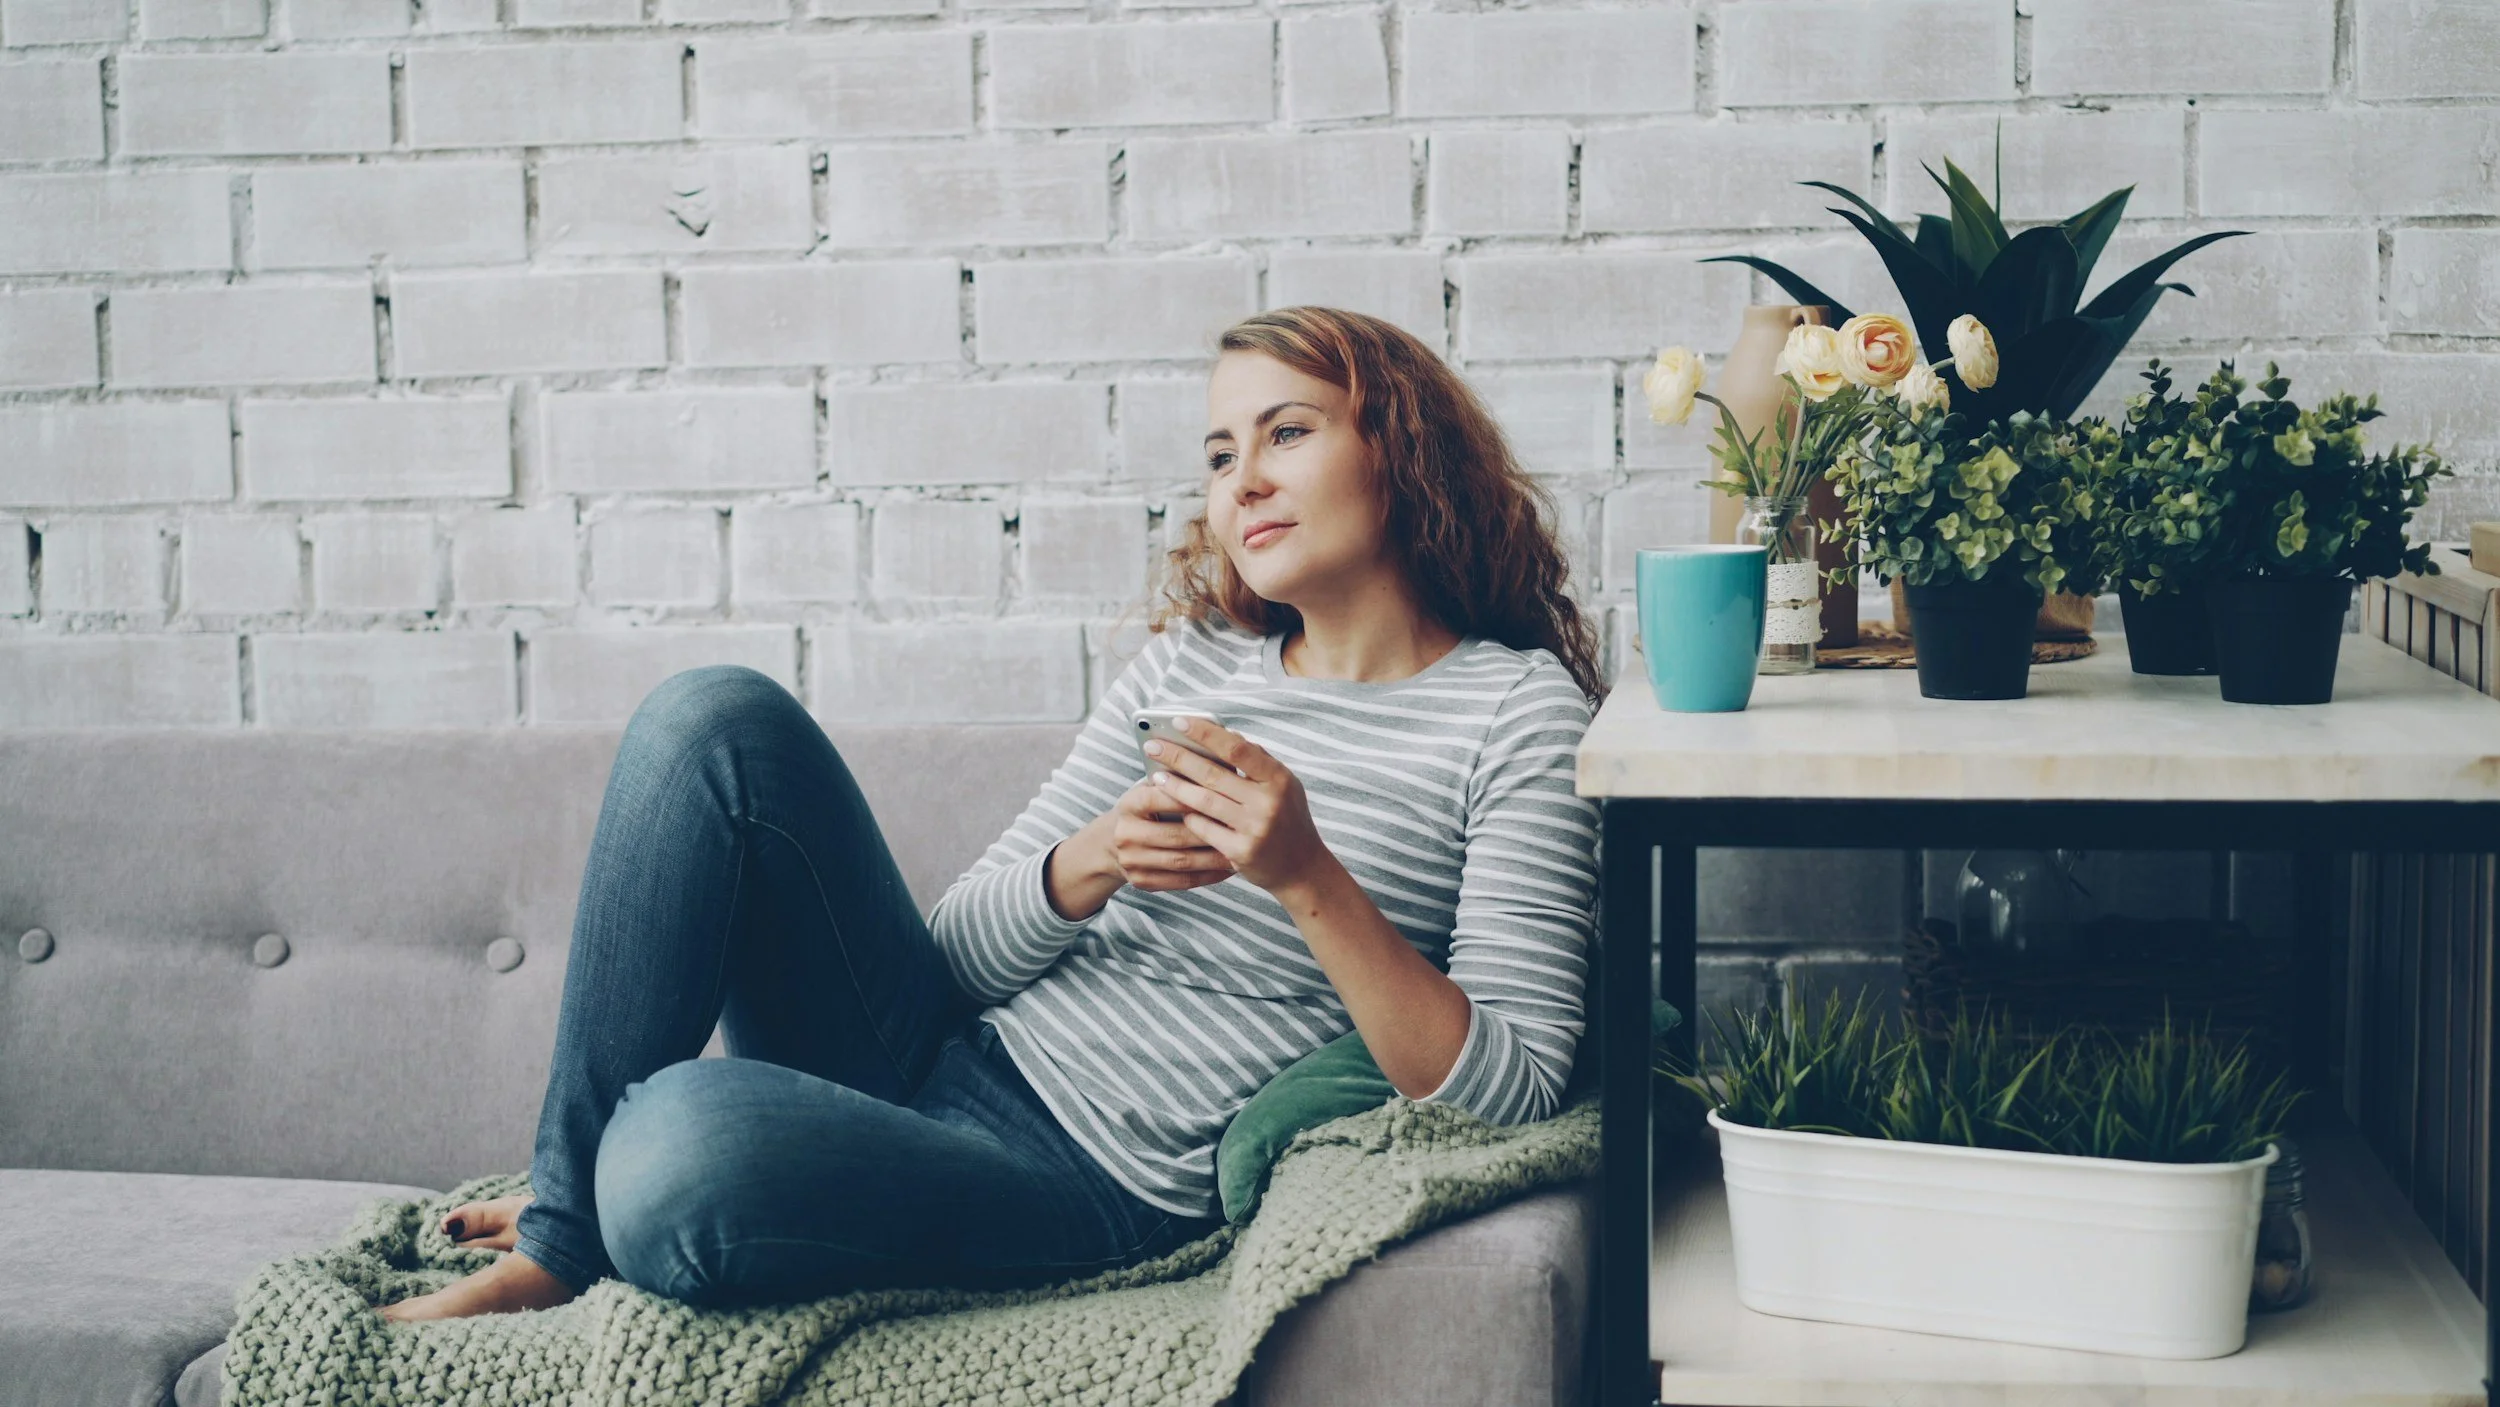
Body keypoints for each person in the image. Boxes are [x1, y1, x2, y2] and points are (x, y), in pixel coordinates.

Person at [378, 305, 1606, 1320]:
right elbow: (955, 952)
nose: (1246, 482)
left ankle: (606, 1195)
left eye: (1288, 433)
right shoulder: (1190, 670)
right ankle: (557, 1236)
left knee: (678, 1151)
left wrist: (1306, 880)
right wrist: (1088, 864)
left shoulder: (1513, 714)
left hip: (1086, 1180)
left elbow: (1514, 1087)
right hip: (940, 1054)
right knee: (712, 721)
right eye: (1222, 455)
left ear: (1399, 447)